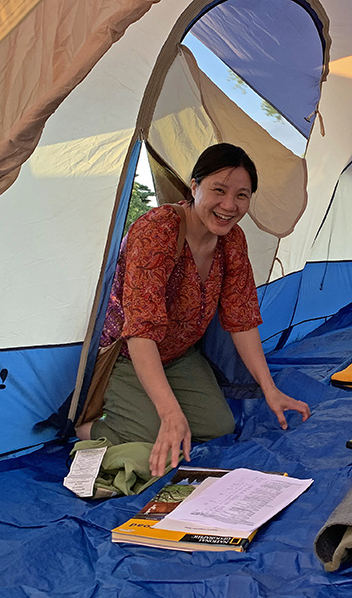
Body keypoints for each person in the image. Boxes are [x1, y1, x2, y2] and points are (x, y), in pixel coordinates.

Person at [76, 143, 310, 476]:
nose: (229, 205)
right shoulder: (156, 231)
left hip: (181, 355)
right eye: (219, 190)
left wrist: (270, 389)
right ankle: (87, 428)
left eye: (241, 195)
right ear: (195, 186)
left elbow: (241, 319)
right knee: (151, 437)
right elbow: (141, 333)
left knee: (218, 426)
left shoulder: (232, 240)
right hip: (130, 355)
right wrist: (170, 414)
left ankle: (158, 411)